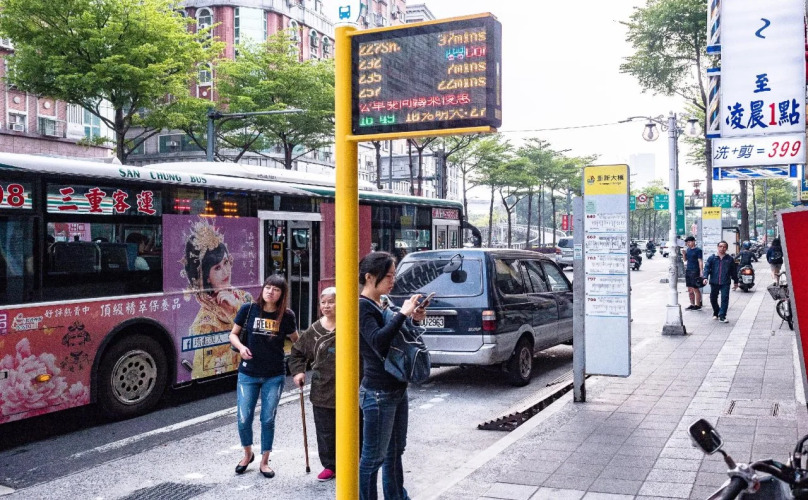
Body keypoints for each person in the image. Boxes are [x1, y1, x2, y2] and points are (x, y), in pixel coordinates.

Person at [358, 251, 425, 500]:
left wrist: (414, 319)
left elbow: (399, 336)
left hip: (397, 386)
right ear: (369, 277)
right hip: (378, 392)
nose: (392, 280)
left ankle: (397, 496)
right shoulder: (362, 307)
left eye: (394, 275)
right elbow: (378, 341)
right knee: (373, 458)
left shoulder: (382, 302)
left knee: (395, 451)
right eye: (388, 276)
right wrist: (403, 314)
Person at [229, 274, 299, 479]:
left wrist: (300, 366)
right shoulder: (248, 309)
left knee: (268, 419)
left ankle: (265, 461)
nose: (270, 292)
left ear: (282, 294)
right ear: (263, 289)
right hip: (248, 373)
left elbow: (297, 341)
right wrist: (241, 348)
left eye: (276, 289)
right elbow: (233, 334)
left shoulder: (287, 316)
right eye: (268, 287)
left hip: (274, 375)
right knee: (243, 418)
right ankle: (247, 454)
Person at [182, 220, 252, 377]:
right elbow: (202, 370)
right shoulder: (205, 322)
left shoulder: (243, 296)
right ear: (206, 277)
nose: (226, 271)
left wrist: (236, 306)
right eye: (217, 268)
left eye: (226, 262)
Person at [289, 287, 338, 482]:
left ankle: (354, 462)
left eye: (331, 301)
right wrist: (298, 371)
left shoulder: (352, 324)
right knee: (325, 431)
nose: (326, 306)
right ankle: (330, 465)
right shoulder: (314, 329)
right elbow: (297, 352)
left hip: (352, 387)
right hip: (322, 388)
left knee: (354, 427)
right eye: (323, 302)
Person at [702, 241, 739, 323]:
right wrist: (705, 277)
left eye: (724, 247)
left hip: (725, 282)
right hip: (714, 281)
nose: (722, 248)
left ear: (726, 248)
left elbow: (733, 271)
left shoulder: (729, 259)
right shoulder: (712, 258)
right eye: (721, 246)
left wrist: (736, 281)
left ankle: (722, 315)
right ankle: (716, 311)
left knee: (725, 298)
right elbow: (707, 268)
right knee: (713, 298)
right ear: (718, 247)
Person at [682, 236, 703, 310]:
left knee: (695, 288)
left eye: (689, 242)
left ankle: (698, 305)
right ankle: (692, 304)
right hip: (688, 270)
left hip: (695, 270)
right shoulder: (688, 250)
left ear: (693, 241)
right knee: (690, 289)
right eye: (687, 242)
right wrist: (684, 254)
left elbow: (700, 261)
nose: (688, 244)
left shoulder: (698, 250)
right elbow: (685, 260)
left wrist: (701, 271)